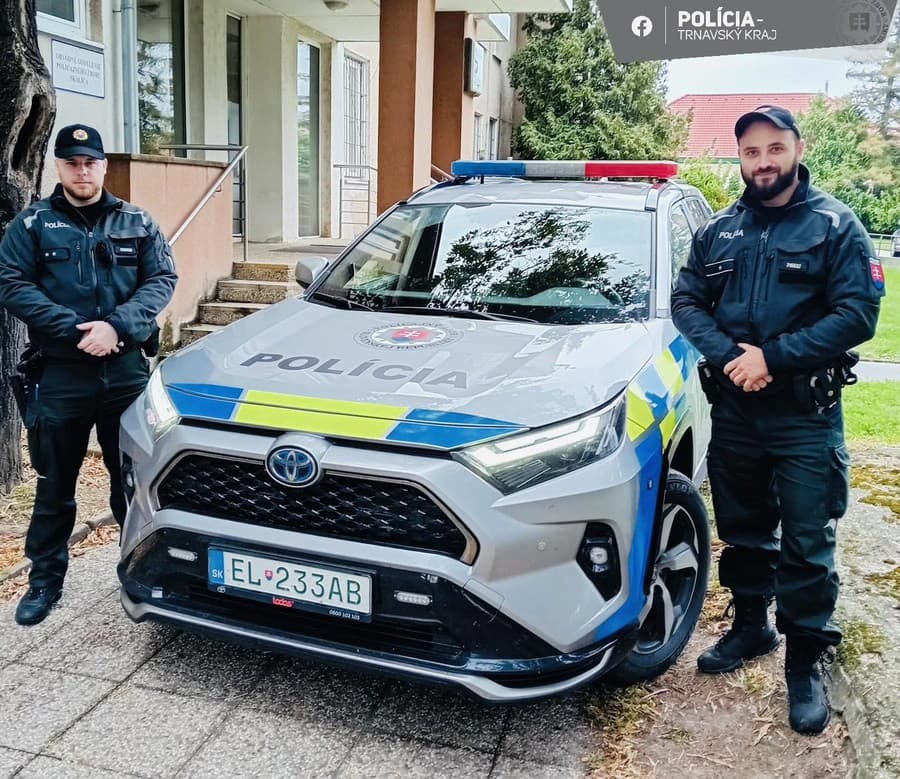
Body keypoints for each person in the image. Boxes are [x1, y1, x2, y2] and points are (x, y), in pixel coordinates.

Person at [671, 105, 884, 735]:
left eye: (774, 148)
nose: (763, 162)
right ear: (740, 159)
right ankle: (750, 628)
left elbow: (858, 315)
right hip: (736, 410)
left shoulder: (835, 225)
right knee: (744, 527)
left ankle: (804, 663)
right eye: (750, 152)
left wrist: (774, 357)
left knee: (808, 545)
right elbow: (687, 300)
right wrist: (733, 357)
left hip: (804, 416)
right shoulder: (721, 231)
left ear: (796, 148)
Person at [0, 124, 177, 626]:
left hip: (125, 374)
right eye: (73, 162)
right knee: (55, 483)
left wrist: (117, 326)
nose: (83, 170)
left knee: (133, 482)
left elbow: (161, 279)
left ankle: (139, 573)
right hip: (61, 374)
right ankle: (44, 581)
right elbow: (12, 283)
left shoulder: (137, 222)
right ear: (59, 166)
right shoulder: (32, 225)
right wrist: (78, 331)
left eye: (91, 161)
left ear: (103, 165)